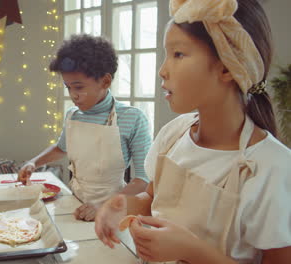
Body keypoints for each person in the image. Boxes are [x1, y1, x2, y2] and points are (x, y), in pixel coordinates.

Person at [95, 0, 291, 263]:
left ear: (226, 67)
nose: (162, 70)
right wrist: (120, 207)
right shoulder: (174, 134)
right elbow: (152, 198)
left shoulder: (271, 167)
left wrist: (192, 251)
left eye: (178, 54)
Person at [18, 34, 152, 221]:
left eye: (79, 87)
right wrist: (33, 162)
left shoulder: (132, 118)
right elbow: (60, 148)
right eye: (68, 87)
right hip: (75, 206)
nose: (73, 95)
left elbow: (144, 180)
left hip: (112, 213)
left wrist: (105, 206)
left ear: (105, 81)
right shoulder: (73, 115)